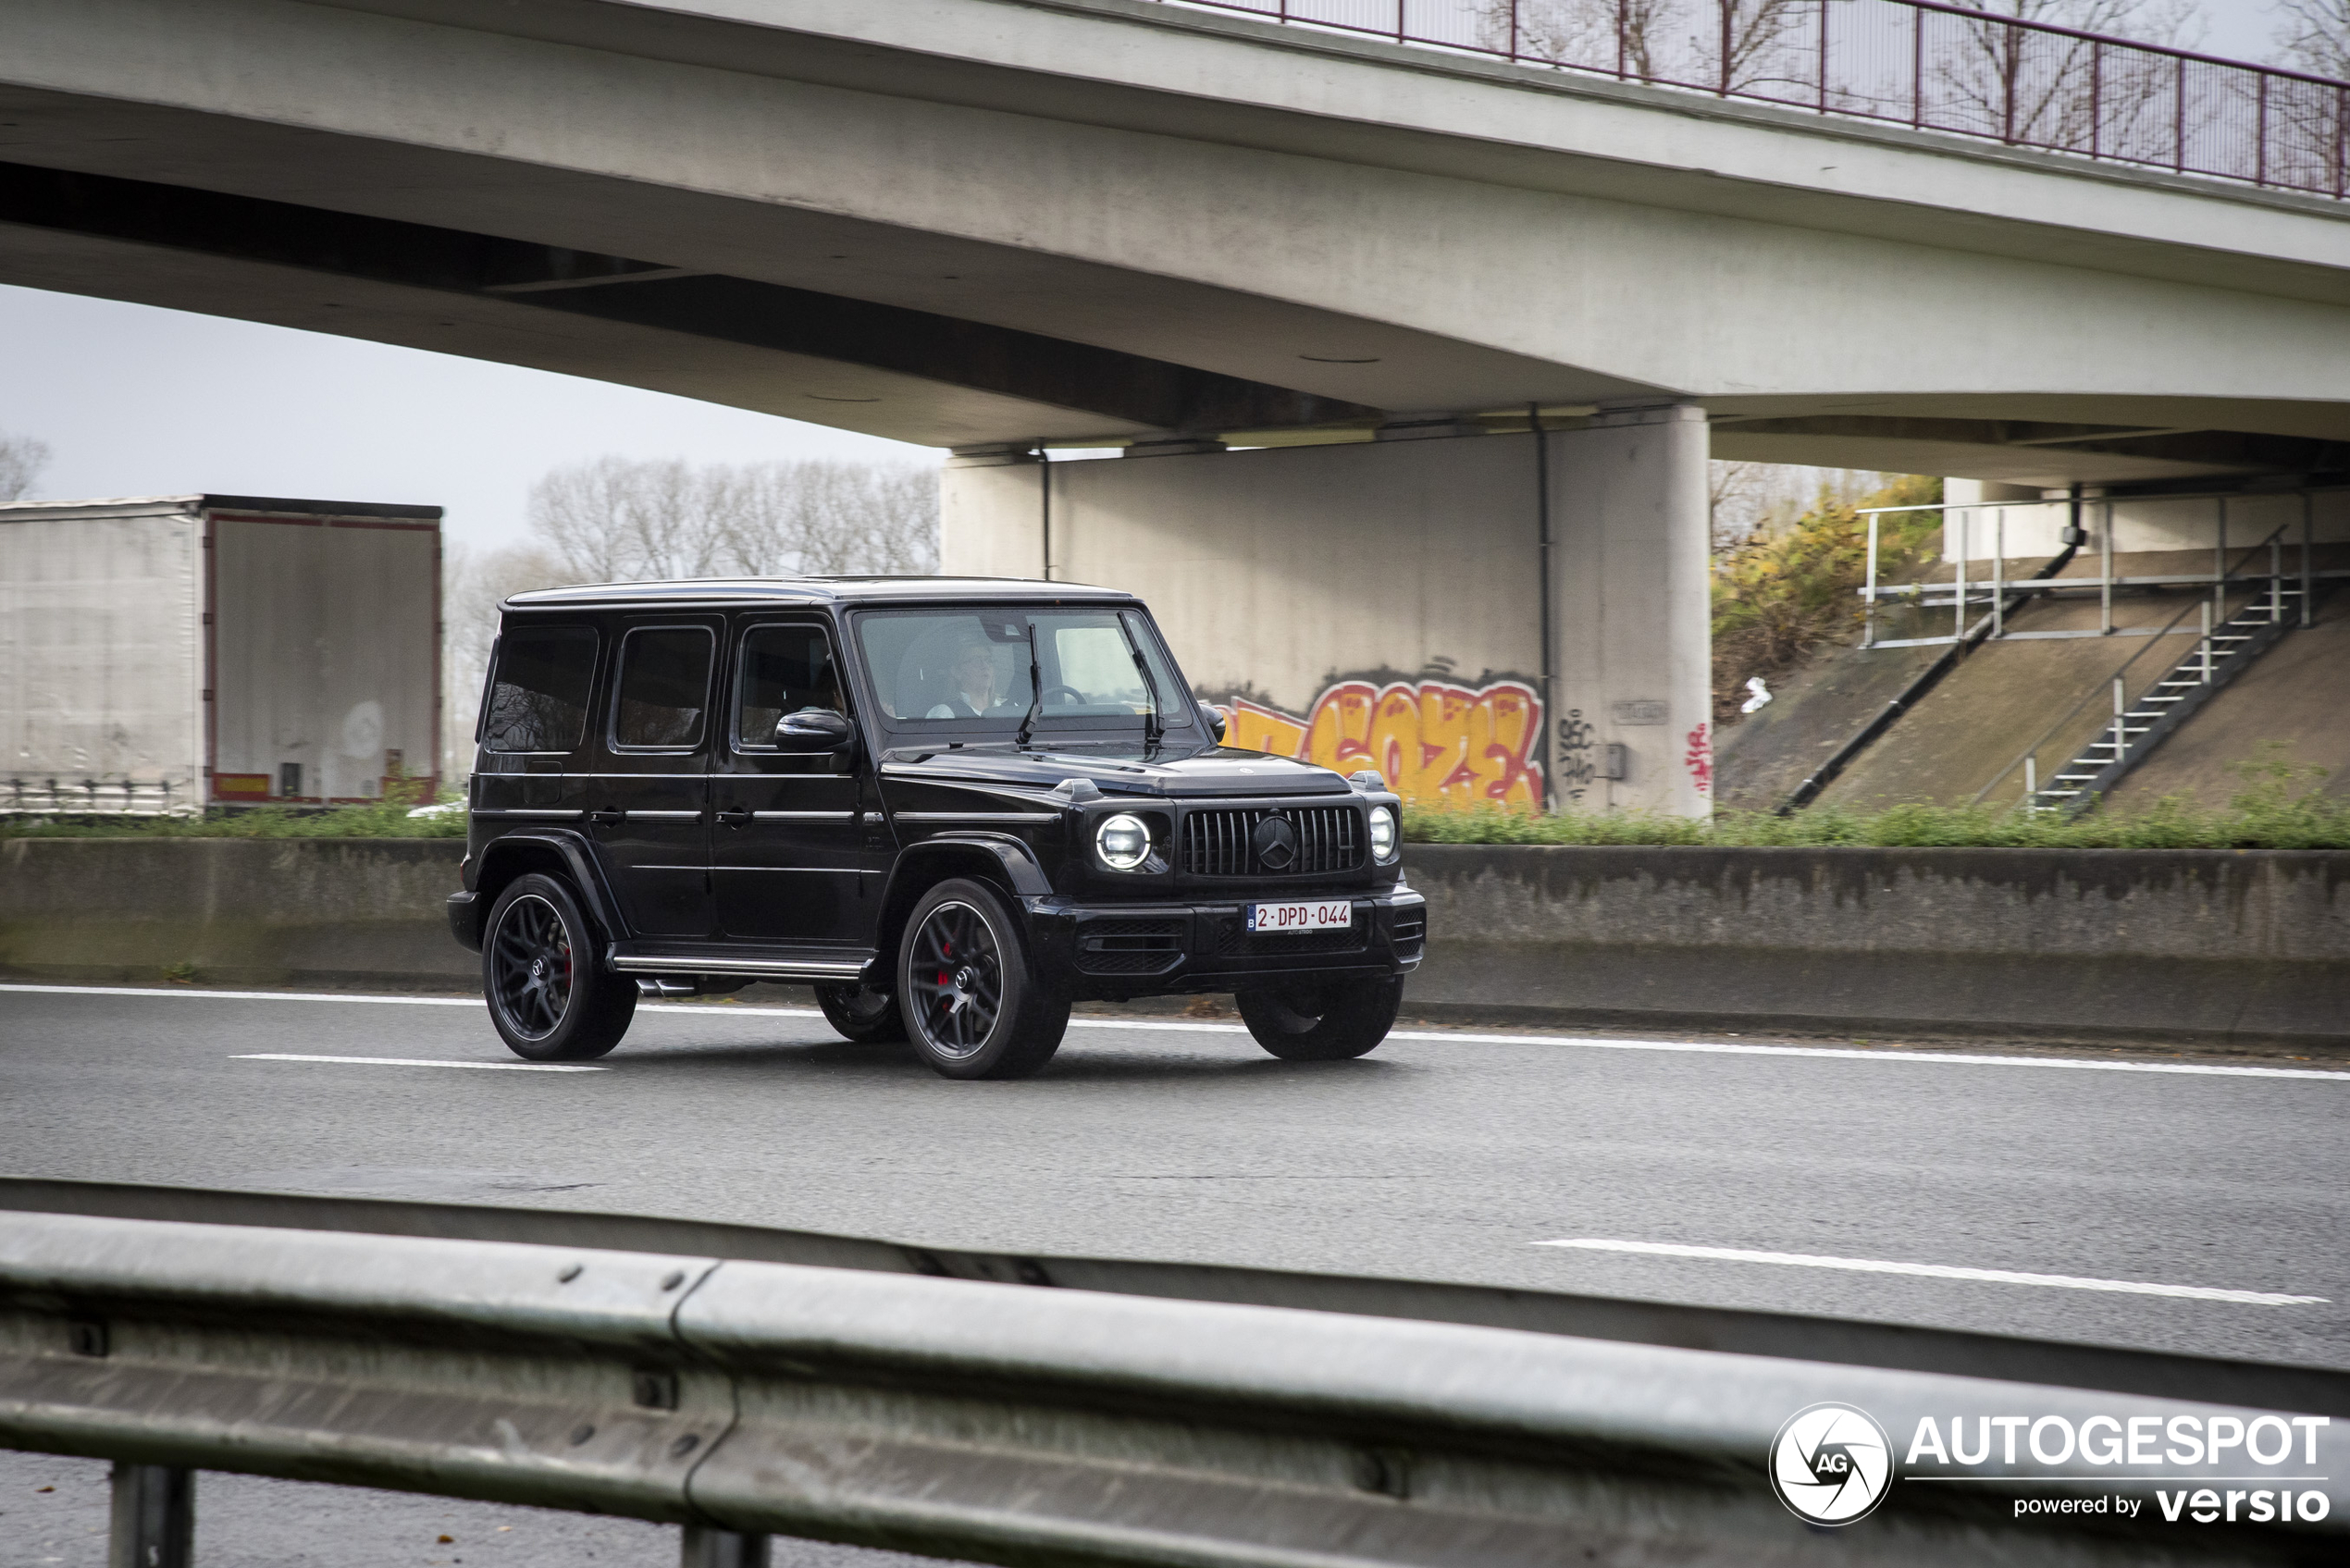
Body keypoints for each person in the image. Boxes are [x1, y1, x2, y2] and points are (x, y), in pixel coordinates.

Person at [926, 638, 1006, 718]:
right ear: (957, 672)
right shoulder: (945, 713)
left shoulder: (1011, 708)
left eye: (988, 660)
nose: (985, 666)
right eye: (976, 660)